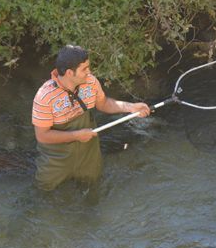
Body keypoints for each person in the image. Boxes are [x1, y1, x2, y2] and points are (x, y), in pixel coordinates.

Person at [32, 45, 150, 191]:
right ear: (69, 72)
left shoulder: (91, 82)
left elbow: (104, 104)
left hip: (88, 153)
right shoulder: (44, 97)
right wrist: (76, 135)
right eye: (84, 69)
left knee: (93, 186)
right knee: (45, 191)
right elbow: (42, 136)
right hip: (56, 159)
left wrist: (130, 107)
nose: (89, 72)